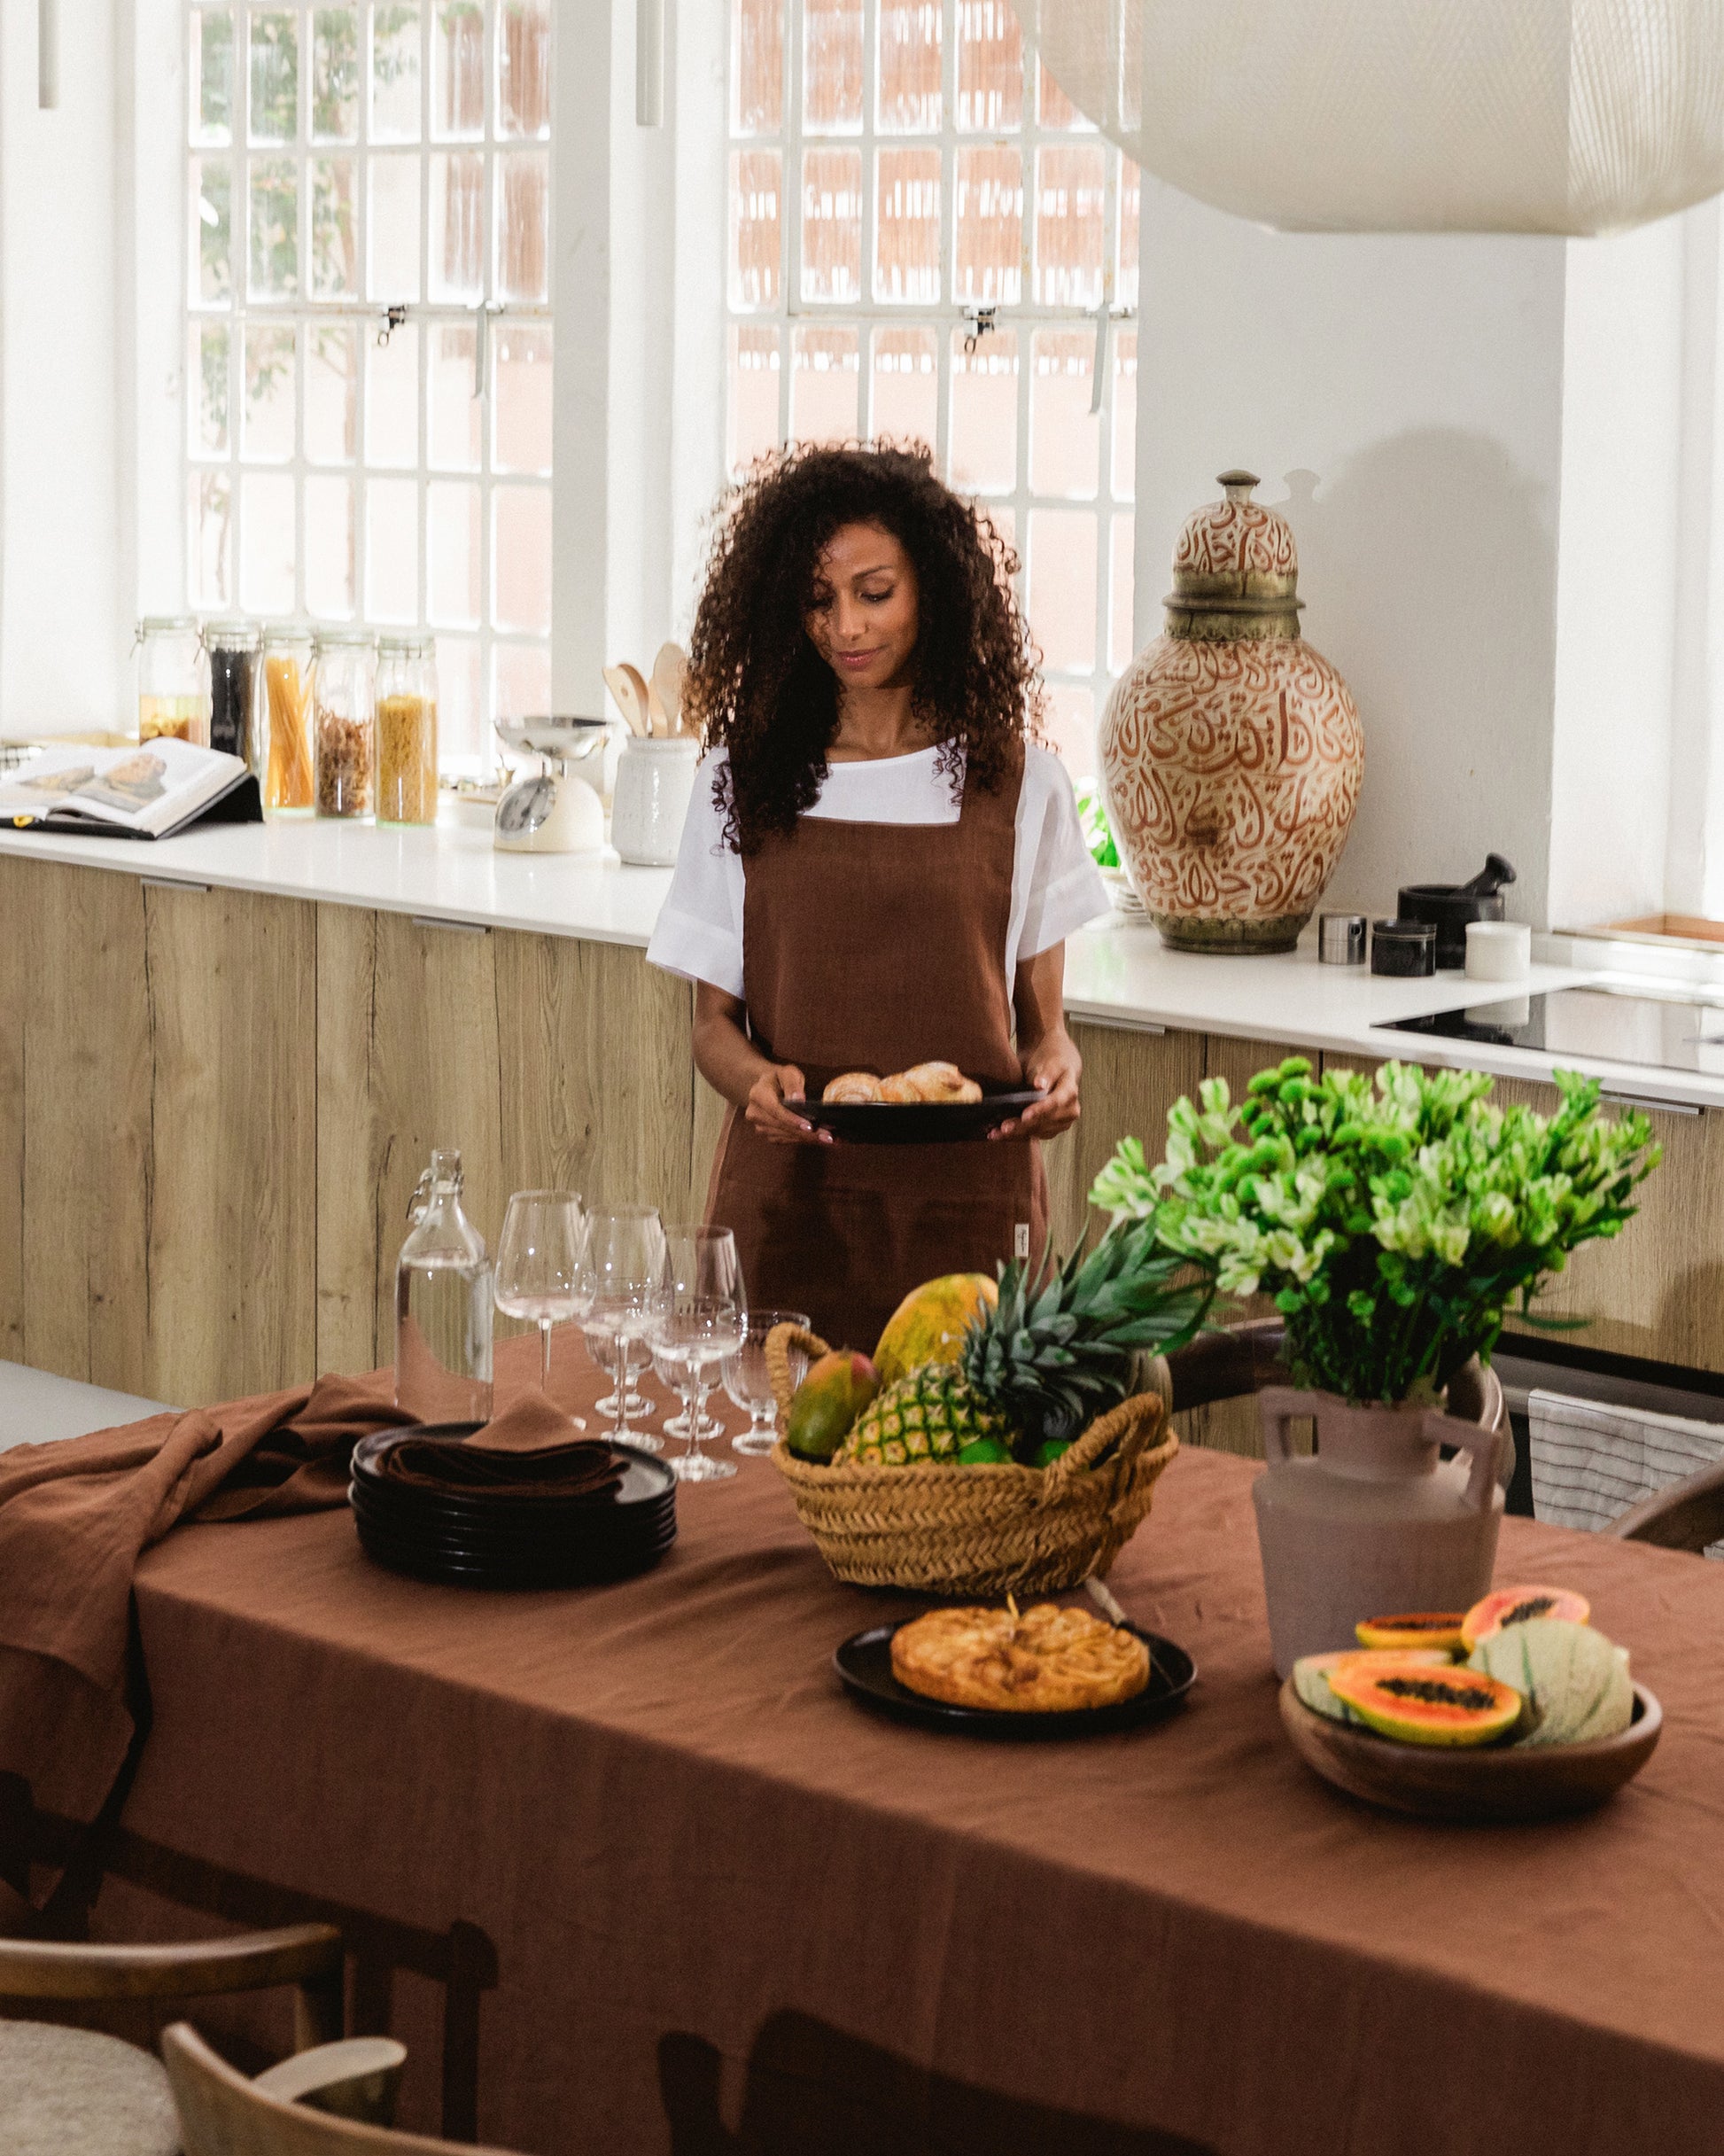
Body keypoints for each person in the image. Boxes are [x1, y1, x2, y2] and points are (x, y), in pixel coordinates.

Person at [646, 443, 1108, 1351]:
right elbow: (711, 1028)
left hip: (969, 1222)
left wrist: (1058, 1073)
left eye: (874, 591)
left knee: (960, 1478)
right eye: (819, 600)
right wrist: (755, 1086)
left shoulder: (1021, 785)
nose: (845, 627)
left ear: (931, 589)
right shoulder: (739, 782)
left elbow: (1040, 1029)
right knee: (762, 1482)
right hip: (787, 1212)